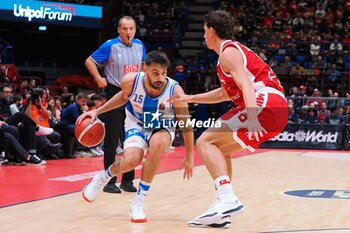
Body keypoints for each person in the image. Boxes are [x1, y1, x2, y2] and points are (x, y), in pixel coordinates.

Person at [168, 10, 288, 228]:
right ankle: (221, 211)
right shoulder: (229, 55)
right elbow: (224, 93)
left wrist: (252, 117)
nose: (203, 35)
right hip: (276, 108)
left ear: (212, 31)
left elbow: (246, 85)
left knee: (205, 141)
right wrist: (189, 97)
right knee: (221, 149)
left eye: (204, 31)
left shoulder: (228, 52)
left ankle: (226, 197)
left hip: (265, 102)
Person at [80, 51, 194, 222]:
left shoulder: (174, 90)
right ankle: (102, 178)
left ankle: (139, 202)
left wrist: (190, 155)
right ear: (144, 68)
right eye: (155, 73)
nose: (160, 78)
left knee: (157, 144)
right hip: (137, 123)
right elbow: (123, 97)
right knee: (131, 160)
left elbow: (186, 123)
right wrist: (97, 110)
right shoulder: (130, 81)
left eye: (163, 73)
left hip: (162, 125)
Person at [85, 15, 147, 193]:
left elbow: (143, 64)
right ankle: (109, 181)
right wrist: (98, 78)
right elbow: (89, 61)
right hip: (115, 92)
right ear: (119, 30)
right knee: (112, 139)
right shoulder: (110, 45)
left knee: (133, 139)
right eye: (125, 29)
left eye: (131, 29)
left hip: (135, 95)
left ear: (135, 30)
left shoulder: (140, 45)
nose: (128, 32)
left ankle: (128, 180)